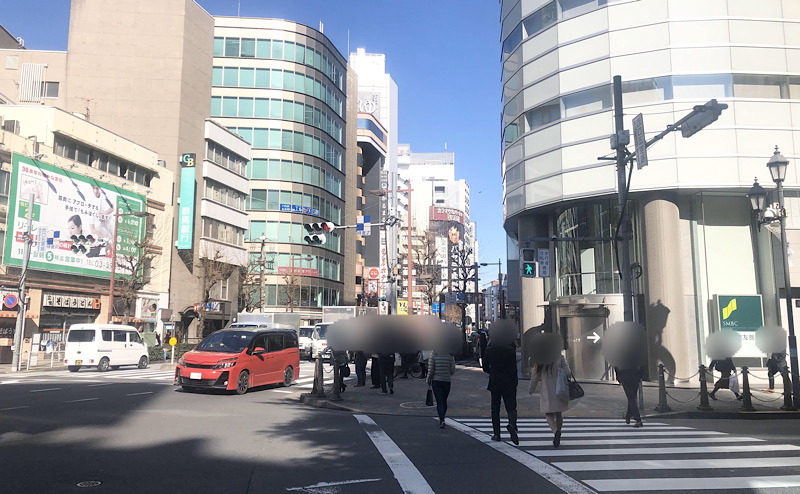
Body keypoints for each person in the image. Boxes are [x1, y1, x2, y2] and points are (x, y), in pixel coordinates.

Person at [483, 337, 519, 445]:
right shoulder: (510, 350)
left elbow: (485, 368)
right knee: (511, 407)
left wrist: (492, 371)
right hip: (509, 382)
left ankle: (497, 434)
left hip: (495, 382)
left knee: (495, 408)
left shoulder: (489, 350)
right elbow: (514, 369)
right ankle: (512, 424)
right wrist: (515, 382)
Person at [529, 353, 571, 447]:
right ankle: (559, 431)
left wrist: (531, 388)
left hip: (547, 390)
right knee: (558, 413)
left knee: (549, 414)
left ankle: (555, 432)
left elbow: (535, 376)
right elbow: (568, 372)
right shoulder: (560, 357)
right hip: (559, 389)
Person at [427, 349, 456, 428]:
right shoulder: (450, 355)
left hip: (436, 381)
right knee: (444, 400)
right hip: (446, 380)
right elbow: (452, 371)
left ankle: (442, 419)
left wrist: (428, 380)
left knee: (439, 401)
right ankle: (443, 417)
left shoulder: (433, 355)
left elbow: (431, 370)